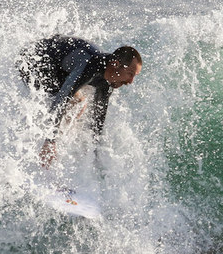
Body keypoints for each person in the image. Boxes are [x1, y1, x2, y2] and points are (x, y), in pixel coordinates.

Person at [17, 35, 142, 168]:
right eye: (130, 74)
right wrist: (50, 140)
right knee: (73, 101)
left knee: (79, 102)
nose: (130, 82)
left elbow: (97, 119)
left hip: (57, 66)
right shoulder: (89, 65)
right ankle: (46, 153)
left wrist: (96, 153)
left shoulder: (108, 80)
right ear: (115, 64)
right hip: (32, 62)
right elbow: (61, 99)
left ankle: (61, 151)